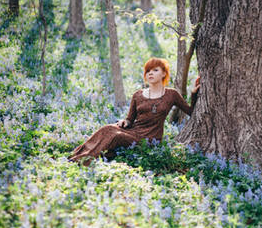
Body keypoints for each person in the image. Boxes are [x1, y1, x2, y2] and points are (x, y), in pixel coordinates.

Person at [68, 57, 200, 166]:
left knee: (117, 136)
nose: (150, 73)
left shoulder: (171, 94)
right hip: (134, 130)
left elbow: (191, 111)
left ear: (164, 73)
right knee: (107, 128)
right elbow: (130, 118)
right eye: (148, 71)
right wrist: (125, 122)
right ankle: (78, 155)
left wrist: (194, 94)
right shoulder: (138, 94)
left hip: (150, 138)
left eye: (155, 70)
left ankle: (85, 161)